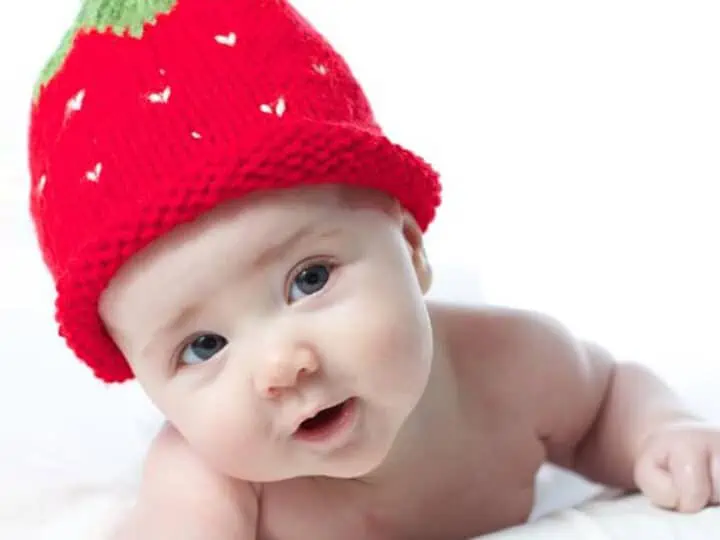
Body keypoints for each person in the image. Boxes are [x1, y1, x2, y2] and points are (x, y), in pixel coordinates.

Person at [27, 1, 720, 538]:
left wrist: (659, 432)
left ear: (412, 250)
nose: (282, 365)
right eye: (202, 346)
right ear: (149, 389)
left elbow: (604, 403)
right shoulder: (206, 491)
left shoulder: (511, 366)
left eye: (310, 278)